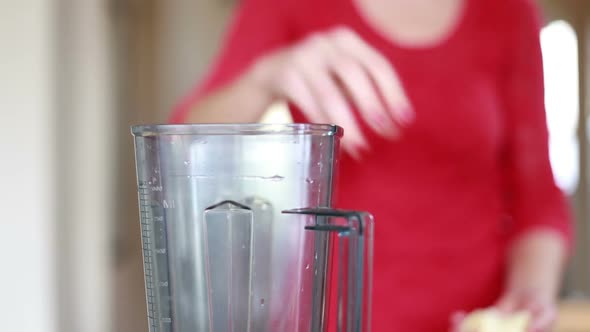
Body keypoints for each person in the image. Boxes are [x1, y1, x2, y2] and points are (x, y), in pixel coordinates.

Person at [170, 0, 573, 330]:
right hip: (334, 318)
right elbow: (181, 143)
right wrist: (263, 78)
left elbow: (537, 196)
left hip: (473, 315)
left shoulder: (508, 12)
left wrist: (530, 292)